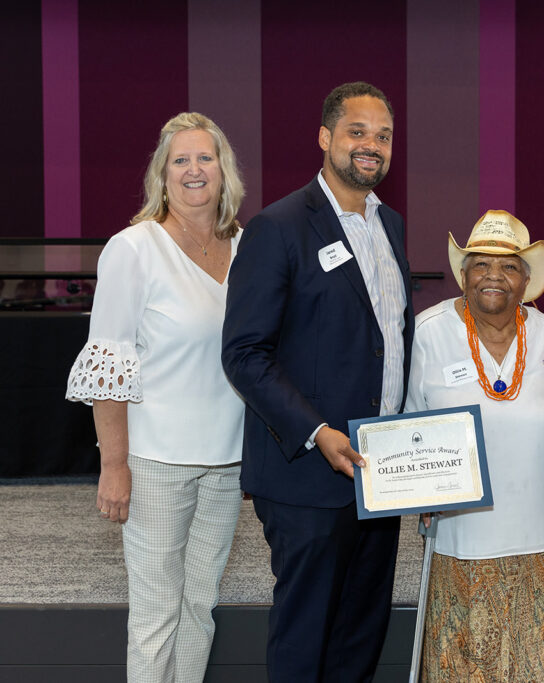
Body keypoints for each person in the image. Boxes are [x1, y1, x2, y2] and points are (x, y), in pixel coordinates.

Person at [221, 81, 414, 682]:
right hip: (308, 473)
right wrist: (317, 432)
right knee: (306, 633)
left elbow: (387, 342)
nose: (371, 146)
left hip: (380, 473)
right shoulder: (278, 227)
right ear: (326, 137)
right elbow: (244, 354)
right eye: (357, 132)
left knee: (361, 631)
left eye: (382, 136)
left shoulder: (392, 226)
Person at [65, 112, 246, 681]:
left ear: (224, 171)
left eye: (205, 158)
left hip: (228, 461)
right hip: (155, 461)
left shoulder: (245, 245)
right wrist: (113, 465)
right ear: (162, 175)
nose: (195, 170)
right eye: (181, 160)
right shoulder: (133, 248)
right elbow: (107, 364)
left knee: (201, 608)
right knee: (155, 614)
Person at [407, 210, 544, 682]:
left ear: (527, 278)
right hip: (461, 541)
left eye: (508, 266)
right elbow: (403, 428)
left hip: (543, 537)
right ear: (463, 273)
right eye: (481, 264)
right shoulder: (427, 333)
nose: (493, 276)